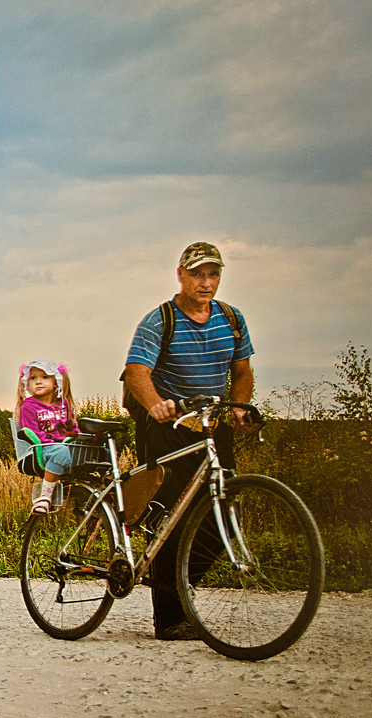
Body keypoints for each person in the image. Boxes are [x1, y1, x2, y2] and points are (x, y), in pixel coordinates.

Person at [122, 241, 255, 641]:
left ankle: (176, 582)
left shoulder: (231, 319)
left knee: (222, 515)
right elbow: (136, 372)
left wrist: (241, 407)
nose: (206, 281)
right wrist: (156, 405)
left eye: (213, 274)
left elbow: (243, 371)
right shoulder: (159, 320)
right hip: (168, 426)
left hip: (214, 425)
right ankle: (169, 617)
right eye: (198, 273)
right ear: (181, 275)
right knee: (169, 517)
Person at [15, 358, 81, 514]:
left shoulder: (63, 405)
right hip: (43, 448)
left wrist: (77, 437)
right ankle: (44, 497)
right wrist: (56, 443)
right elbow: (33, 433)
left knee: (99, 454)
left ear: (56, 382)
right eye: (33, 378)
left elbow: (72, 427)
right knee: (61, 453)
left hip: (63, 446)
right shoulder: (29, 406)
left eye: (45, 377)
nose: (38, 382)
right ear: (27, 383)